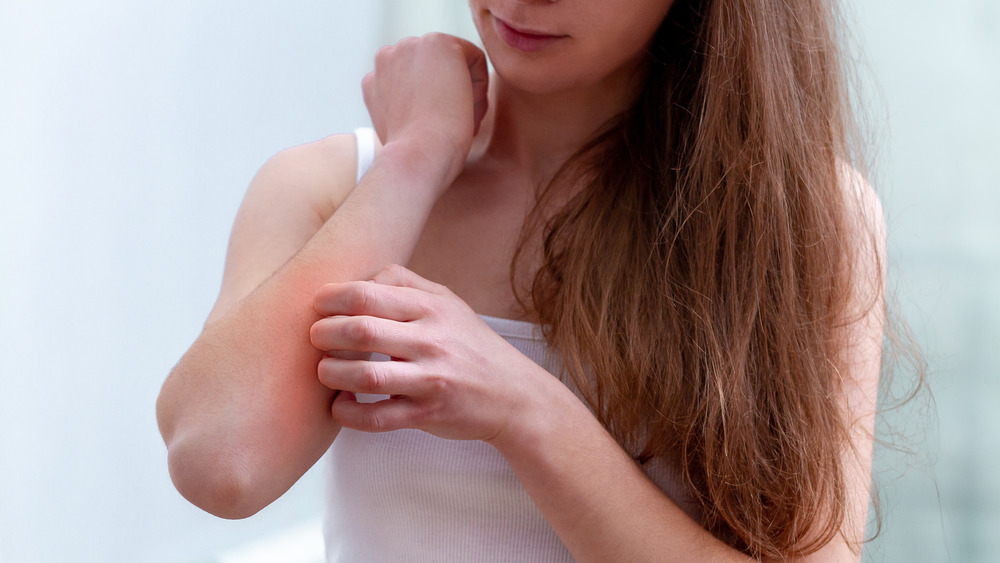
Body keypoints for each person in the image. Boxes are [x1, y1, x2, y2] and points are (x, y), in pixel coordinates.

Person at [156, 0, 887, 560]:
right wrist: (417, 159)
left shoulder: (803, 220)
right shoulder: (329, 186)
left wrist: (524, 408)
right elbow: (221, 462)